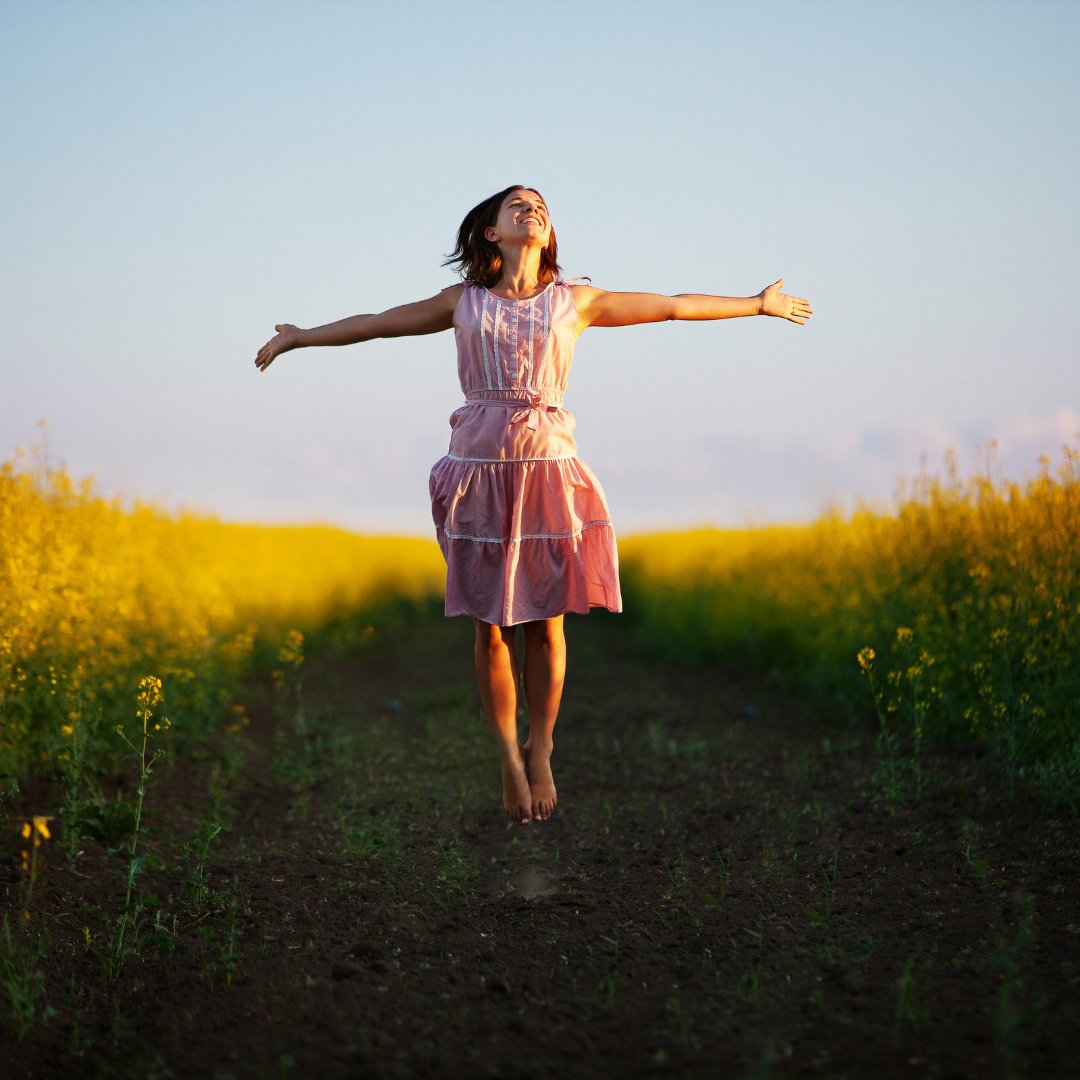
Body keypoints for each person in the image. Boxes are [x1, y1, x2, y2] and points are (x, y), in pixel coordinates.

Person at [255, 184, 813, 826]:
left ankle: (541, 745)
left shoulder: (573, 302)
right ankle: (506, 756)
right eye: (517, 204)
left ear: (548, 235)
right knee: (490, 630)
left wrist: (757, 305)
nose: (533, 210)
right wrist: (300, 336)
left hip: (549, 473)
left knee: (548, 622)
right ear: (490, 232)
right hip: (478, 476)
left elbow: (673, 306)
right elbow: (377, 323)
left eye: (541, 206)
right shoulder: (461, 303)